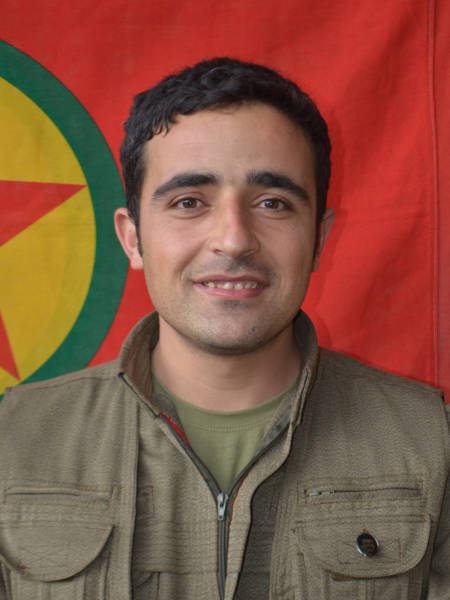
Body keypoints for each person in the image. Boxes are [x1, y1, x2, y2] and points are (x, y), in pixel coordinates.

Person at [0, 57, 448, 600]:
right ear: (133, 238)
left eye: (273, 203)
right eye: (189, 202)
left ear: (319, 239)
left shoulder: (431, 442)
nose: (234, 240)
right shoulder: (13, 439)